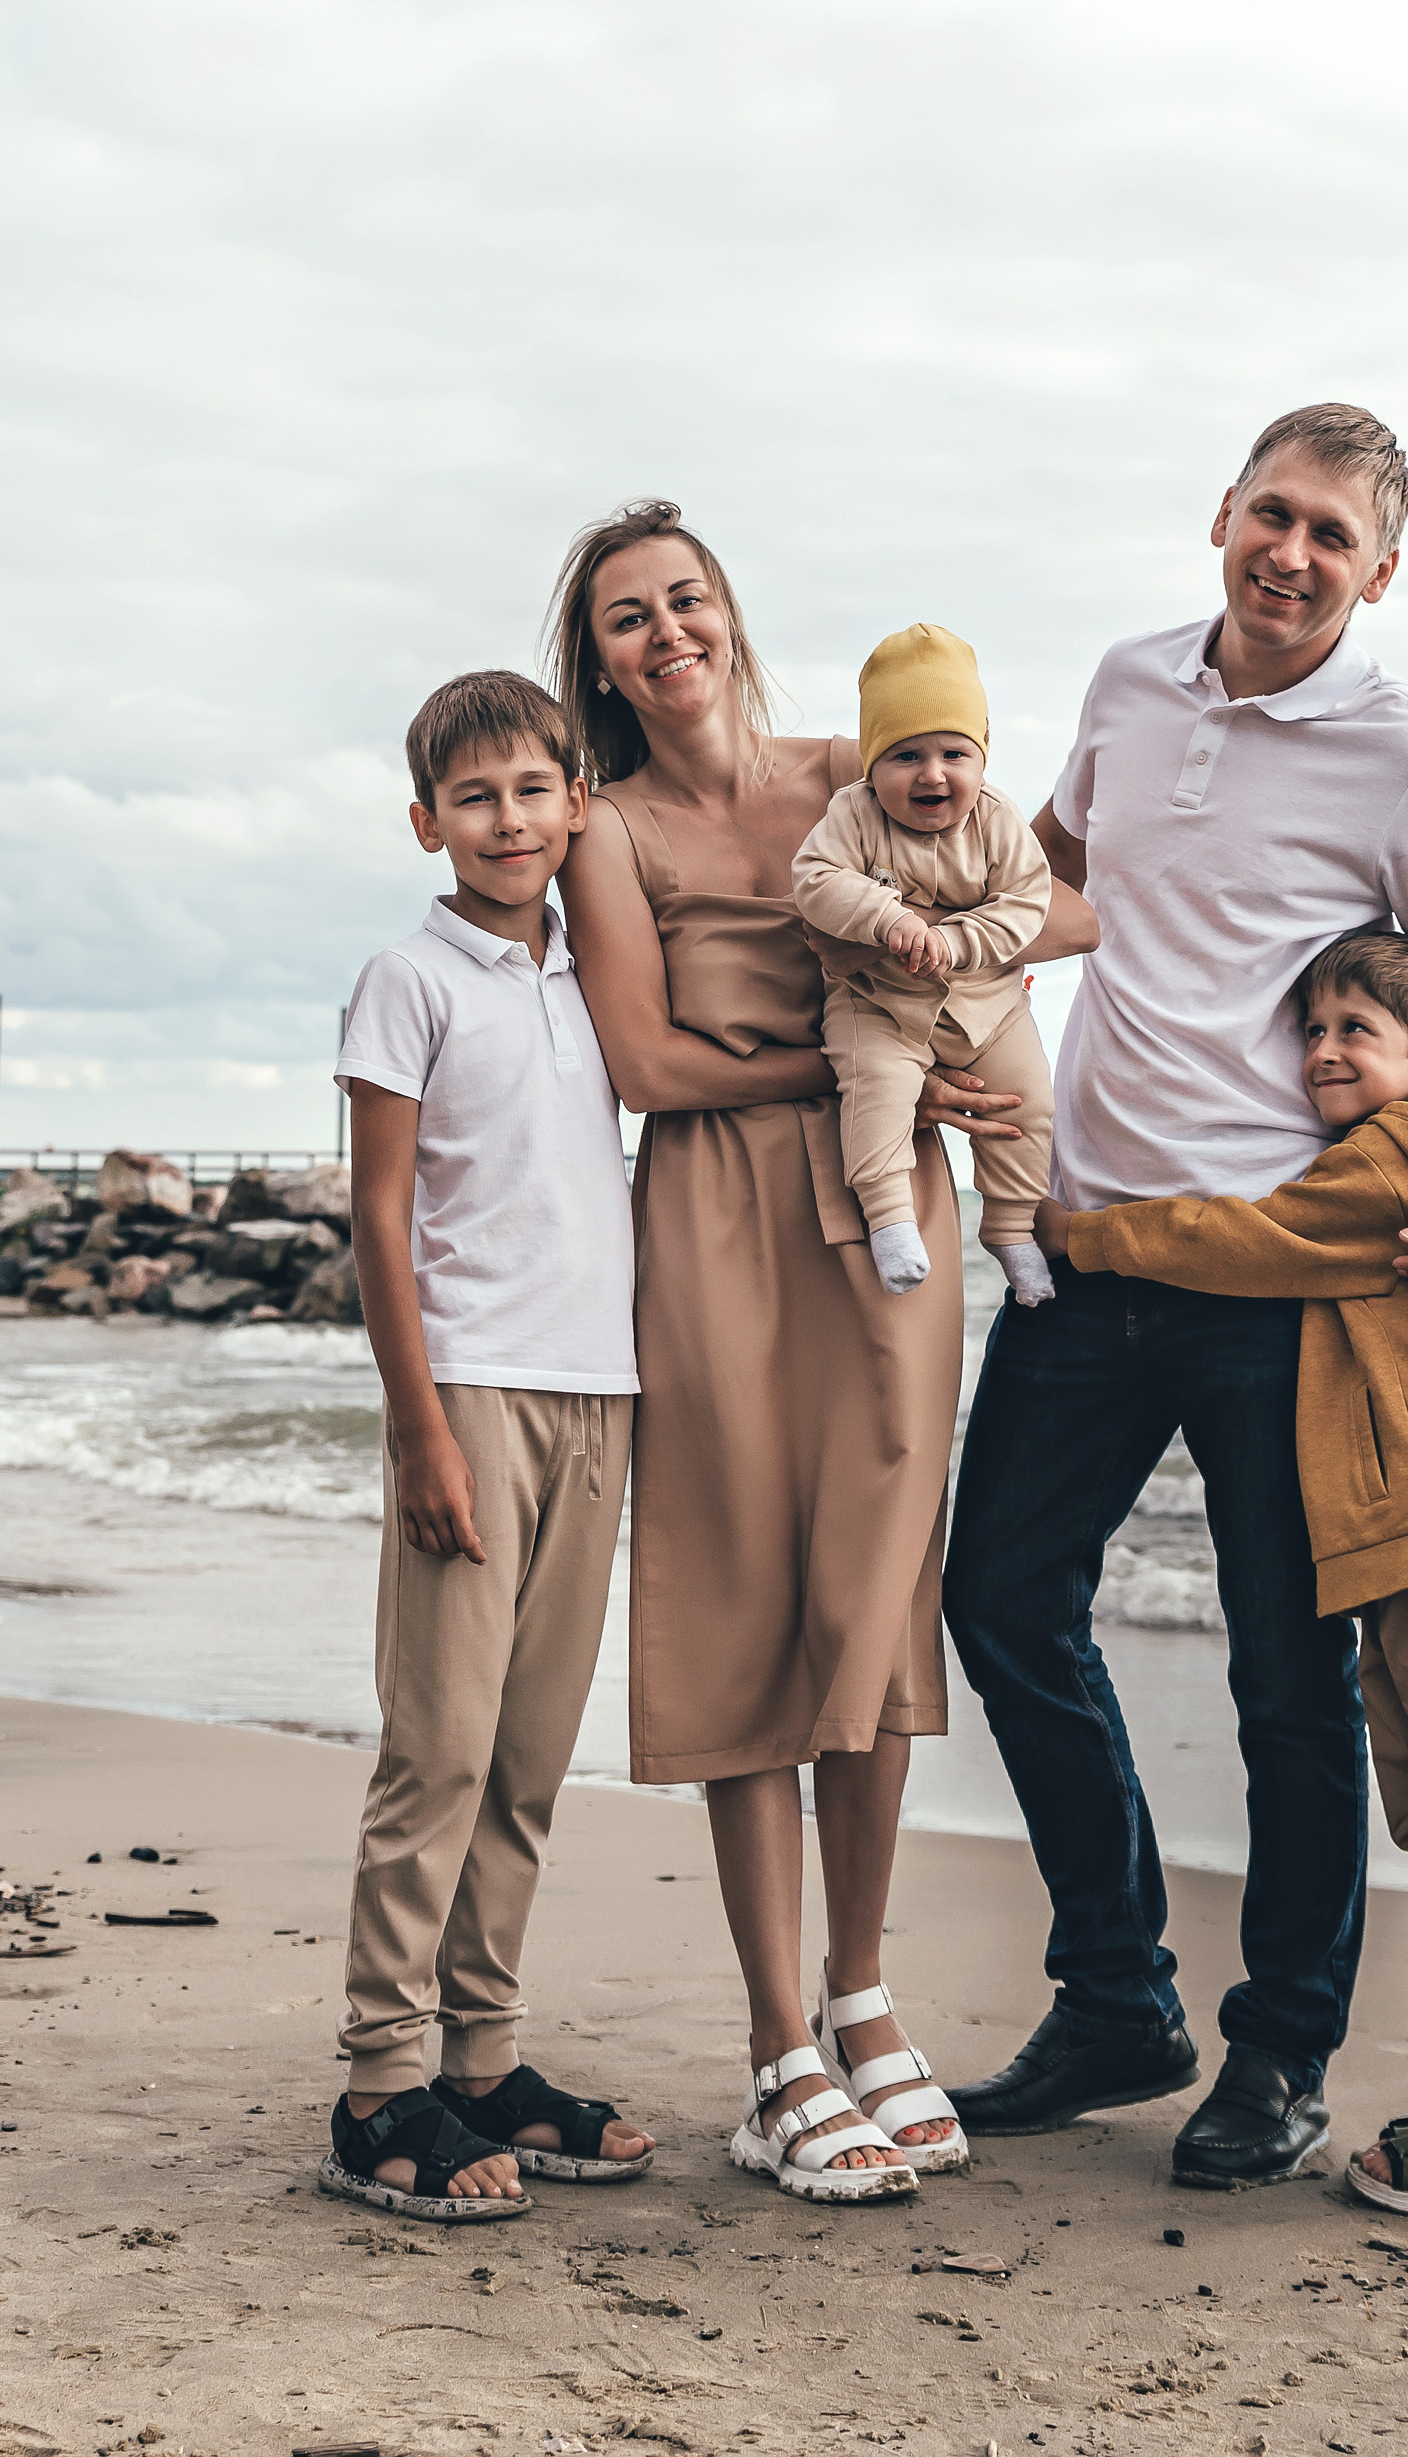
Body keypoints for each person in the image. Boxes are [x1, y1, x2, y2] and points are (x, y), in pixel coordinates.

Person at [942, 402, 1408, 2193]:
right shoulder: (1133, 683)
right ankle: (1118, 1994)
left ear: (1381, 574)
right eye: (1270, 515)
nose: (1291, 556)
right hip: (1080, 1246)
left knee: (1290, 1681)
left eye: (1333, 540)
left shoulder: (1406, 756)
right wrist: (928, 985)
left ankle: (1277, 2048)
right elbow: (1052, 876)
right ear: (1221, 514)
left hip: (1283, 1283)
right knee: (998, 1597)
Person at [553, 501, 1095, 2203]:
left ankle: (866, 2001)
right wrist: (864, 1076)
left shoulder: (855, 772)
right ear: (605, 655)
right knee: (740, 1606)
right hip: (715, 1212)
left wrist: (956, 1009)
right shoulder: (605, 827)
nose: (668, 632)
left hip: (889, 1227)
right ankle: (778, 2047)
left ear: (729, 612)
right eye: (630, 616)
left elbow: (1059, 902)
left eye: (688, 598)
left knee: (872, 1598)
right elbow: (642, 1066)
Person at [1067, 923, 1408, 2215]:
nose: (1325, 1051)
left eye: (1358, 1029)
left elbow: (1252, 1239)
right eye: (1313, 1030)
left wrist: (1087, 1234)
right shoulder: (1379, 1145)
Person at [321, 669, 655, 2226]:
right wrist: (419, 1430)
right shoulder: (409, 980)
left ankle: (484, 2061)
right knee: (439, 1751)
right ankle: (380, 2087)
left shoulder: (599, 981)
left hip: (601, 1397)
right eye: (475, 797)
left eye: (535, 790)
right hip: (471, 1396)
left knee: (526, 1759)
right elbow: (378, 1215)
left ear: (575, 803)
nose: (509, 820)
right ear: (425, 822)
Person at [791, 620, 1058, 1308]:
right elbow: (815, 879)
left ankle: (1010, 1226)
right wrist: (889, 918)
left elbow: (1029, 902)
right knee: (875, 1093)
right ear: (872, 766)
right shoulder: (851, 815)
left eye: (954, 753)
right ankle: (890, 1219)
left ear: (982, 759)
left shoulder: (1000, 821)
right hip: (878, 1003)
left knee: (1028, 1101)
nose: (932, 773)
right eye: (905, 755)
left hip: (987, 1004)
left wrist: (960, 939)